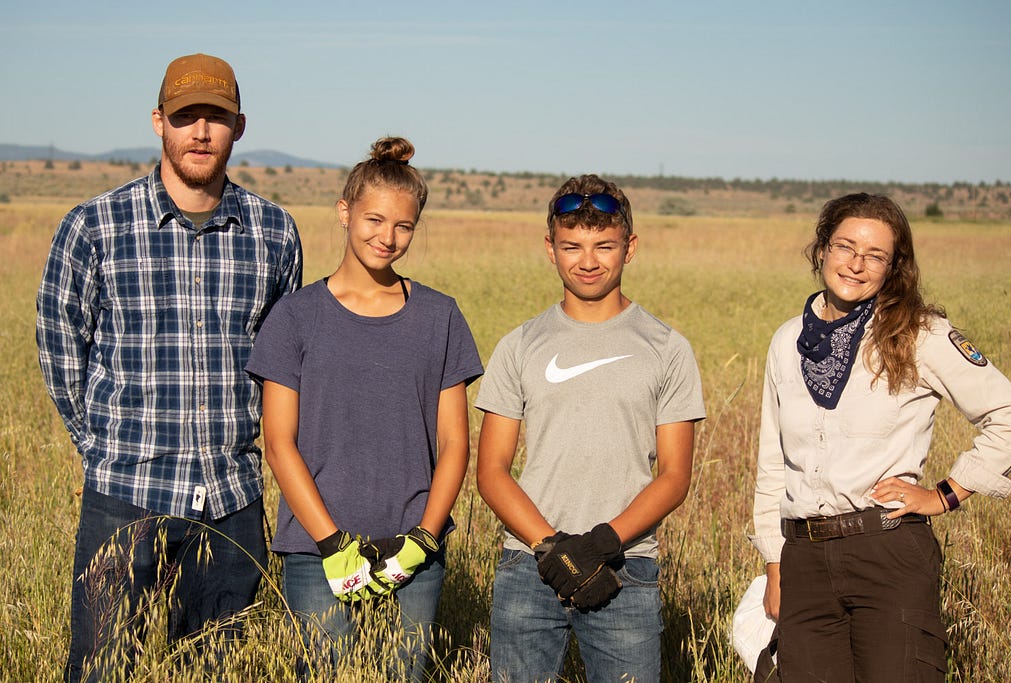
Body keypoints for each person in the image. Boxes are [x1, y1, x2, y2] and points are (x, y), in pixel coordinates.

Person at [36, 53, 303, 682]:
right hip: (124, 497)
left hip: (232, 498)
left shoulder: (273, 232)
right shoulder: (94, 227)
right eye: (186, 117)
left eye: (216, 116)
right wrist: (100, 448)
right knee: (102, 669)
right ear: (159, 121)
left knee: (222, 669)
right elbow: (59, 347)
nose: (201, 132)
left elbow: (283, 364)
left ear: (240, 125)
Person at [750, 193, 1011, 681]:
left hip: (886, 550)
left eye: (874, 255)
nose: (856, 265)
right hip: (804, 559)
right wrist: (775, 563)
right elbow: (774, 464)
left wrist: (945, 494)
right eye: (845, 247)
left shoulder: (921, 334)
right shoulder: (786, 340)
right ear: (821, 249)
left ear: (893, 267)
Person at [245, 136, 482, 680]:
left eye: (404, 226)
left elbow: (453, 444)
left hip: (413, 549)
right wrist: (331, 544)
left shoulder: (439, 316)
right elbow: (279, 443)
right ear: (344, 212)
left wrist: (423, 538)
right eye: (374, 219)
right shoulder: (296, 316)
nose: (388, 237)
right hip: (316, 551)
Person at [474, 174, 705, 682]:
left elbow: (674, 475)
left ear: (631, 247)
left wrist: (601, 544)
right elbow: (491, 470)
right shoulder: (520, 345)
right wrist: (551, 548)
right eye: (571, 245)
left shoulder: (667, 348)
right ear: (550, 250)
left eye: (605, 245)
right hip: (529, 566)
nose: (588, 260)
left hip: (625, 568)